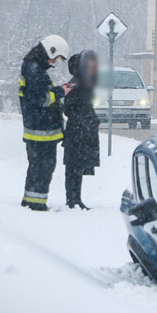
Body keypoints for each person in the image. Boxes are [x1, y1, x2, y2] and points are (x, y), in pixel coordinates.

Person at [19, 35, 71, 211]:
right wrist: (60, 92)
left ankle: (29, 200)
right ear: (50, 50)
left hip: (37, 128)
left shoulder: (32, 68)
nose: (54, 62)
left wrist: (57, 90)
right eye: (55, 58)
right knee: (43, 168)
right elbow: (41, 99)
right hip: (41, 131)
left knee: (36, 167)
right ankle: (37, 204)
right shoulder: (35, 71)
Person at [63, 50, 100, 211]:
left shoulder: (85, 85)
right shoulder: (75, 85)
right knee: (73, 168)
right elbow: (69, 109)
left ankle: (76, 198)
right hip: (76, 133)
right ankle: (72, 199)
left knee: (77, 167)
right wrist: (84, 123)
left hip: (81, 133)